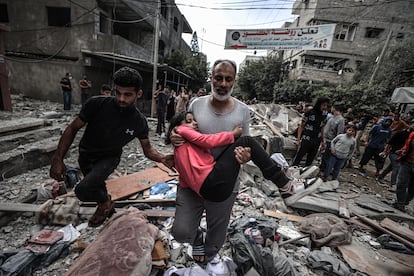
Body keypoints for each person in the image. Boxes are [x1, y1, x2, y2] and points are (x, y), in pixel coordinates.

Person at [170, 59, 319, 264]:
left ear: (234, 82)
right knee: (180, 231)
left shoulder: (242, 111)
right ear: (211, 78)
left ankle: (207, 262)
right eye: (218, 78)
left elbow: (245, 147)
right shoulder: (196, 104)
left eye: (228, 79)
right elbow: (186, 132)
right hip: (194, 179)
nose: (222, 83)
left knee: (216, 235)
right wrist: (173, 135)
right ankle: (284, 183)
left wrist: (245, 156)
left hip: (225, 180)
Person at [50, 67, 174, 227]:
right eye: (118, 93)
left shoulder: (139, 122)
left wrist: (163, 158)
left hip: (109, 158)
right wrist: (58, 158)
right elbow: (72, 128)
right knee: (96, 187)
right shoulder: (96, 104)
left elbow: (148, 150)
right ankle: (106, 205)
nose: (122, 98)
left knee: (82, 190)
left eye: (128, 94)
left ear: (139, 94)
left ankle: (105, 204)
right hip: (86, 155)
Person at [166, 111, 315, 202]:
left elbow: (184, 180)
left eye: (194, 120)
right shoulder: (181, 130)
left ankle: (285, 173)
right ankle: (285, 184)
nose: (195, 123)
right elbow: (206, 141)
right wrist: (233, 134)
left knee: (241, 144)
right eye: (189, 121)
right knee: (246, 140)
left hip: (209, 193)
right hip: (212, 183)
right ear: (179, 125)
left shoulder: (179, 150)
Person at [292, 97, 330, 167]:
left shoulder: (324, 114)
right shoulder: (309, 113)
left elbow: (322, 128)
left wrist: (323, 141)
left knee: (310, 159)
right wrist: (298, 139)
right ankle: (292, 170)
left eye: (326, 105)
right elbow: (301, 126)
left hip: (316, 140)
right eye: (323, 105)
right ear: (319, 104)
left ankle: (306, 173)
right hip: (307, 138)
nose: (325, 107)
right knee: (299, 156)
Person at [377, 120, 414, 186]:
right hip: (394, 153)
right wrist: (385, 151)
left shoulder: (411, 136)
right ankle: (393, 184)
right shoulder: (400, 133)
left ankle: (381, 176)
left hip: (402, 155)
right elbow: (390, 142)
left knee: (391, 167)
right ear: (409, 125)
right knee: (396, 167)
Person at [319, 104, 345, 175]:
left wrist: (335, 144)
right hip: (325, 140)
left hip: (331, 141)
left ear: (334, 108)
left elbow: (339, 134)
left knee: (327, 157)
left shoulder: (341, 120)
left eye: (332, 108)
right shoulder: (331, 117)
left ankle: (324, 171)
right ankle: (322, 169)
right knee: (324, 156)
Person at [393, 127, 414, 211]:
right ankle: (400, 203)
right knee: (401, 183)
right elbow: (407, 145)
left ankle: (404, 201)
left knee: (412, 188)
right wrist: (403, 150)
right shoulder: (412, 135)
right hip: (407, 162)